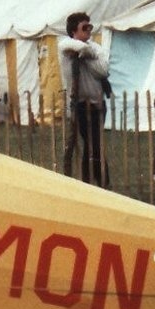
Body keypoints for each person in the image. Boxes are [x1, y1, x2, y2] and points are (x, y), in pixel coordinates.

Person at [58, 12, 111, 187]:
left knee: (94, 144)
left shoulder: (95, 48)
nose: (89, 30)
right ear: (74, 31)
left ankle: (95, 182)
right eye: (84, 27)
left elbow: (103, 70)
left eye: (90, 27)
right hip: (80, 105)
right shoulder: (65, 46)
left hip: (97, 105)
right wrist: (87, 52)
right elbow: (72, 46)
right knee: (92, 144)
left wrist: (86, 56)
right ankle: (99, 182)